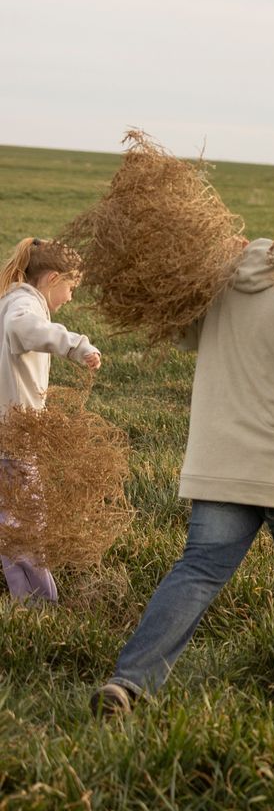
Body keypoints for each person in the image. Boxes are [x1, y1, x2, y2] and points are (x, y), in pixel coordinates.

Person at [94, 226, 274, 714]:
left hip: (220, 460)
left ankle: (129, 683)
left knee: (200, 570)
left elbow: (185, 334)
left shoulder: (221, 274)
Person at [1, 238, 104, 604]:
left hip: (10, 430)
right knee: (26, 522)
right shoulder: (24, 306)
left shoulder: (11, 298)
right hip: (13, 435)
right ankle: (38, 602)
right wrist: (78, 345)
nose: (71, 298)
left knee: (14, 517)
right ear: (53, 278)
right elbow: (25, 329)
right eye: (71, 288)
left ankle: (27, 598)